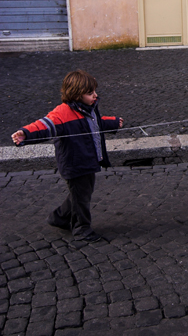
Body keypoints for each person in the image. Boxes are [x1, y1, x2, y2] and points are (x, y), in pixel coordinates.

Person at [11, 70, 123, 243]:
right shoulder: (62, 113)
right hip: (75, 164)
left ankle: (59, 218)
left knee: (80, 194)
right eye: (90, 93)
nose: (95, 95)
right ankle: (81, 230)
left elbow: (96, 123)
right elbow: (44, 125)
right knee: (81, 197)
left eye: (94, 91)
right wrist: (25, 133)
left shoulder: (88, 108)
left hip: (88, 160)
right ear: (76, 94)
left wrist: (113, 122)